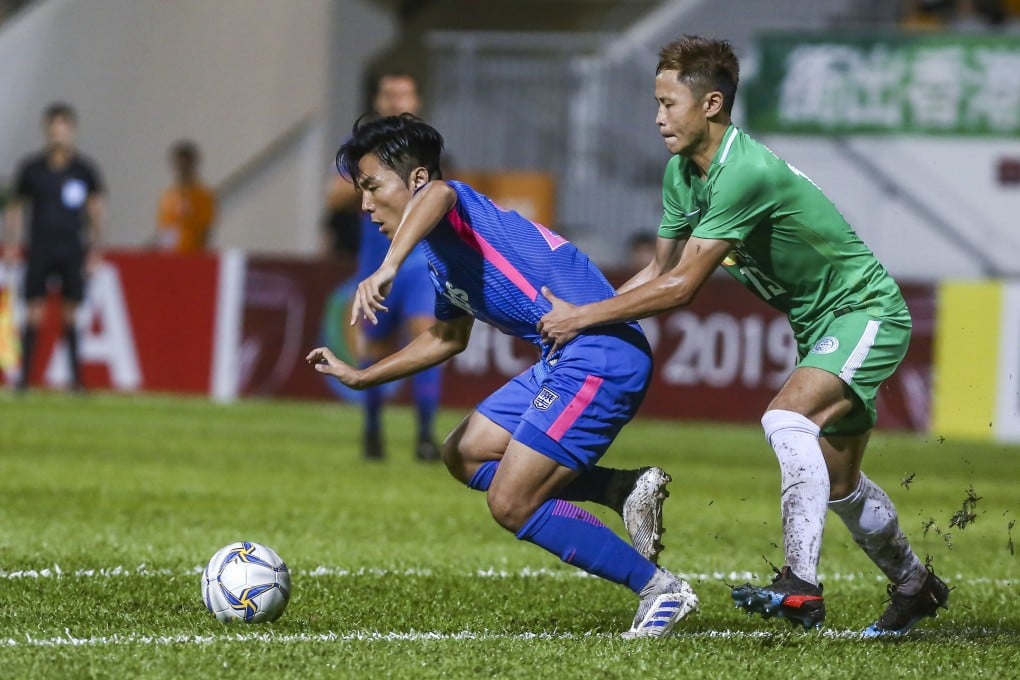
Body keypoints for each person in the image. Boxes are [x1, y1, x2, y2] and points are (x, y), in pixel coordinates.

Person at [536, 35, 950, 638]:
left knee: (787, 417)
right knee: (838, 484)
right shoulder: (683, 173)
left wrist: (580, 318)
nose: (658, 118)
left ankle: (800, 584)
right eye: (656, 103)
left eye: (669, 104)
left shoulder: (743, 171)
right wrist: (589, 316)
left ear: (711, 104)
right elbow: (659, 269)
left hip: (866, 311)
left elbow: (682, 287)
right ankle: (915, 586)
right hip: (818, 324)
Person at [306, 114, 696, 638]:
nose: (365, 204)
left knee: (511, 502)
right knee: (463, 452)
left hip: (598, 357)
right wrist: (362, 376)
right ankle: (619, 488)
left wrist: (388, 266)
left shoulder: (450, 204)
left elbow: (440, 194)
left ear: (416, 179)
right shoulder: (441, 255)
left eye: (373, 187)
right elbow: (447, 338)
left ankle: (659, 589)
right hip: (563, 359)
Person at [324, 71, 443, 461]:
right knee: (374, 348)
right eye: (389, 94)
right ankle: (373, 431)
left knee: (427, 337)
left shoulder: (426, 147)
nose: (395, 101)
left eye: (403, 94)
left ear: (416, 100)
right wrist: (371, 181)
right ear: (377, 101)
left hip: (419, 263)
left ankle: (425, 436)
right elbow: (334, 197)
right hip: (375, 265)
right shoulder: (361, 149)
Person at [3, 102, 105, 392]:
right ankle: (24, 379)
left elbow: (96, 210)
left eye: (64, 127)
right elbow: (15, 207)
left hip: (72, 248)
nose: (58, 133)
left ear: (73, 131)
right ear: (47, 131)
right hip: (40, 247)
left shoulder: (84, 170)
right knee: (33, 310)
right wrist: (11, 243)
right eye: (54, 128)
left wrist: (95, 248)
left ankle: (76, 380)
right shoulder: (32, 169)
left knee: (70, 312)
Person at [154, 140, 216, 255]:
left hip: (193, 255)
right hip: (170, 256)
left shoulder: (202, 196)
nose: (182, 170)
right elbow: (164, 229)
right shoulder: (167, 197)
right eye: (179, 165)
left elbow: (205, 231)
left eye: (186, 165)